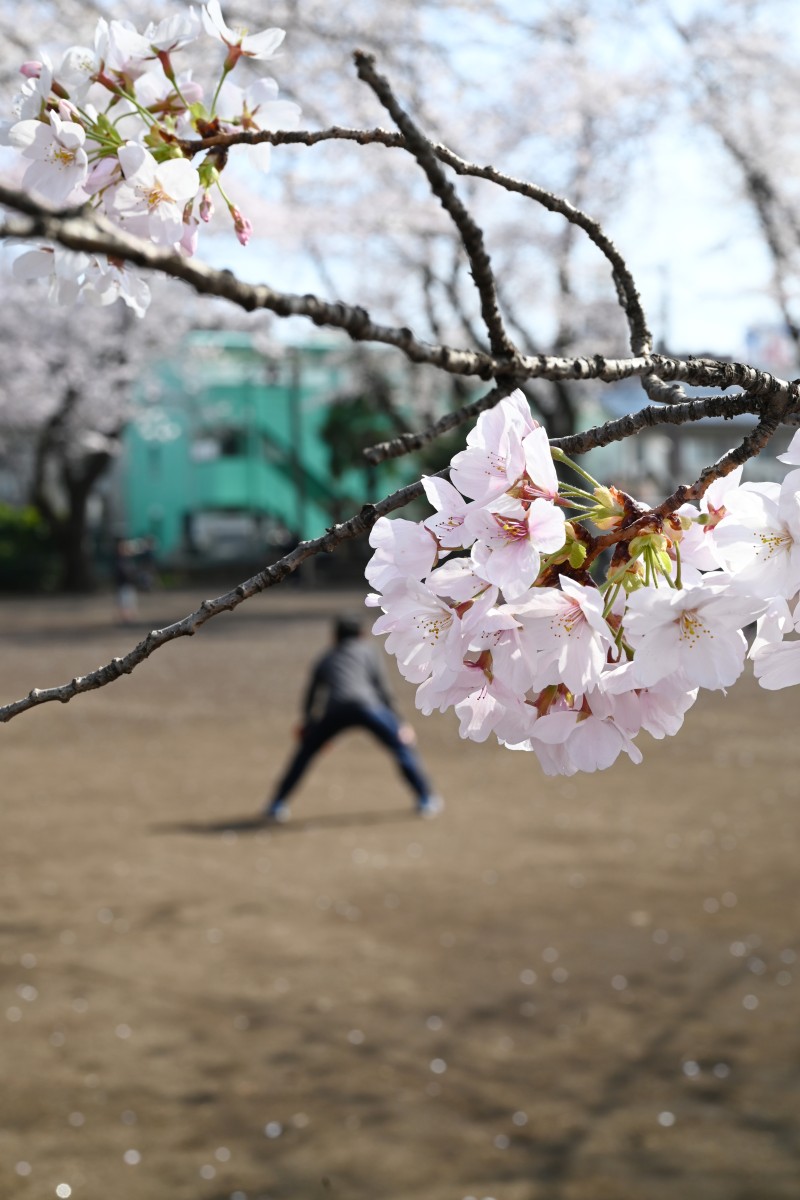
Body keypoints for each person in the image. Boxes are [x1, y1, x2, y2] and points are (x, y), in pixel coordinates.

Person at [262, 617, 442, 822]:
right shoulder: (368, 650)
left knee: (304, 755)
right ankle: (426, 798)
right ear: (362, 634)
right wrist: (400, 723)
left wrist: (309, 725)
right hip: (369, 707)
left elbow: (311, 694)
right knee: (400, 748)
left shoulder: (325, 657)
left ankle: (277, 803)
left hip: (335, 709)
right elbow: (382, 688)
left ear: (334, 637)